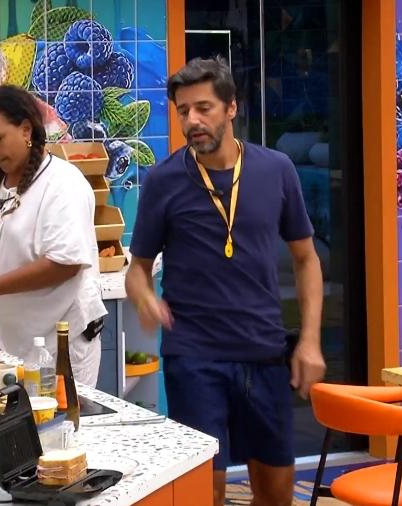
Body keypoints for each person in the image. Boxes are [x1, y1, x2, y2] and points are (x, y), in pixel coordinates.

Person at [125, 57, 326, 506]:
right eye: (183, 111)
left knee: (275, 494)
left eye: (204, 108)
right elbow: (137, 269)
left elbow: (306, 259)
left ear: (231, 107)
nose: (192, 121)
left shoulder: (276, 169)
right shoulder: (163, 180)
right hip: (194, 357)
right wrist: (145, 298)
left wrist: (310, 341)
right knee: (204, 493)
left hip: (264, 351)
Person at [0, 84, 107, 386]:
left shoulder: (63, 184)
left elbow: (65, 263)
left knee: (59, 417)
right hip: (8, 345)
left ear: (26, 130)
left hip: (58, 348)